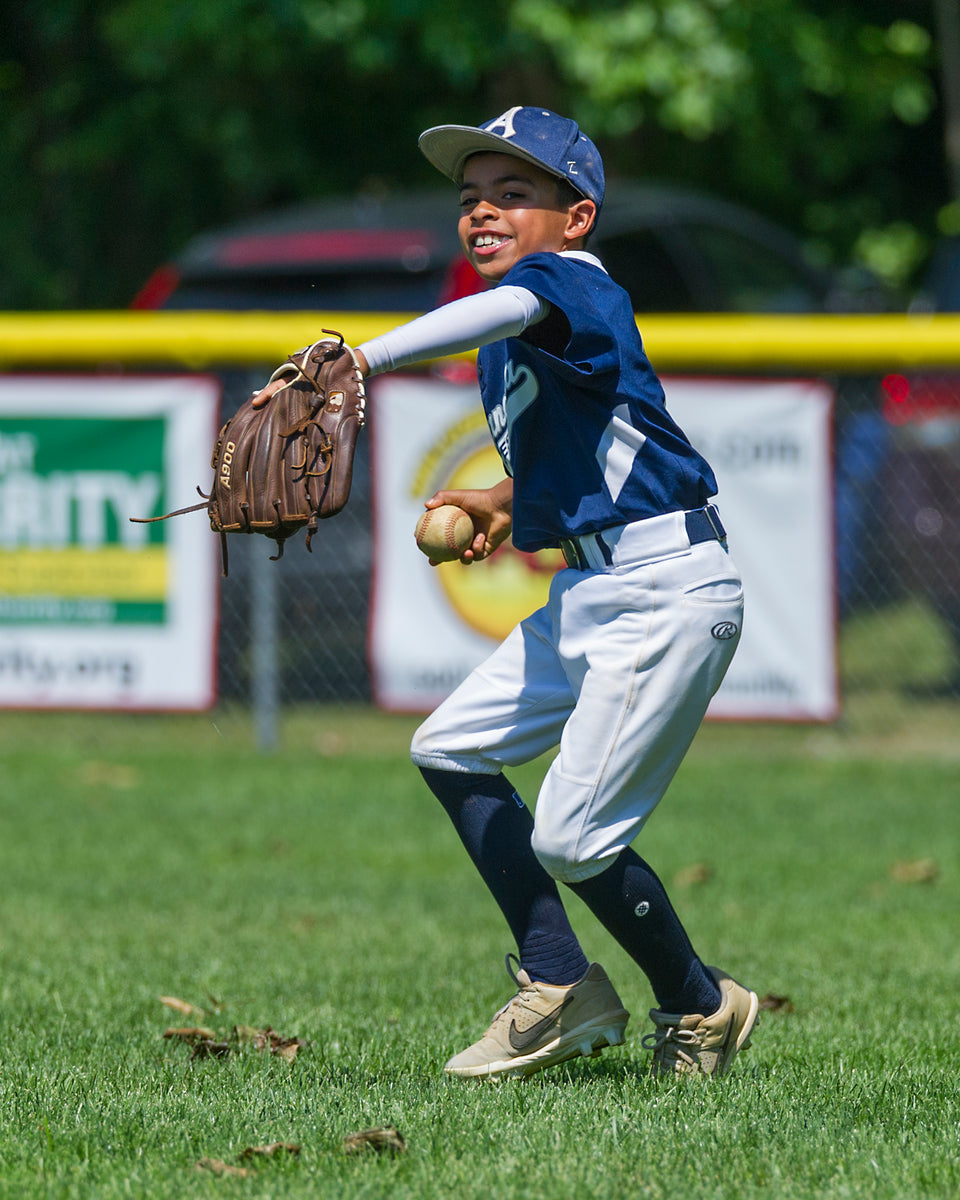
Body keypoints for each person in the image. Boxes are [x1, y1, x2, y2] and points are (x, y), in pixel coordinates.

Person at [348, 105, 758, 1079]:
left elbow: (512, 304)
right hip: (594, 590)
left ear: (576, 218)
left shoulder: (569, 285)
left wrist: (358, 359)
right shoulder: (519, 325)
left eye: (514, 193)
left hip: (666, 588)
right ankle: (561, 977)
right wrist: (499, 498)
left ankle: (702, 1005)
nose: (483, 211)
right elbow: (590, 451)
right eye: (470, 197)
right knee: (448, 746)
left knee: (573, 835)